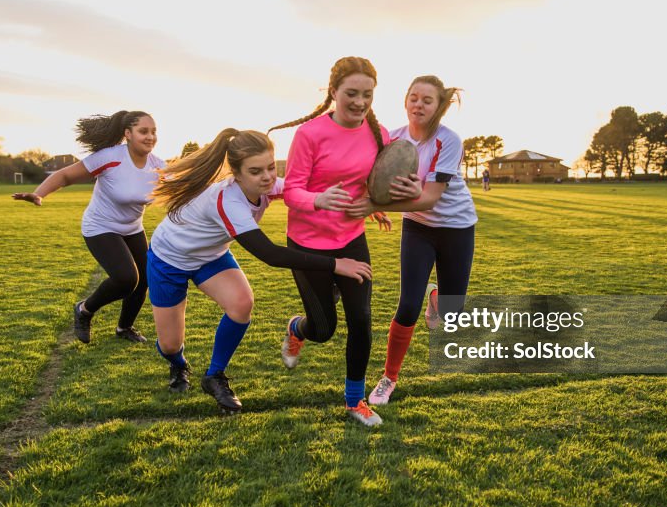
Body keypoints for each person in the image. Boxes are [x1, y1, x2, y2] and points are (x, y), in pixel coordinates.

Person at [147, 129, 372, 414]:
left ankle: (214, 376)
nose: (266, 177)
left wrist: (362, 205)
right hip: (170, 259)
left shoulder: (267, 186)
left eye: (270, 167)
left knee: (242, 304)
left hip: (210, 257)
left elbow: (303, 193)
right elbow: (270, 254)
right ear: (237, 174)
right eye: (255, 171)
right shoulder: (228, 200)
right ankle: (178, 366)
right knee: (169, 345)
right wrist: (335, 265)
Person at [268, 56, 421, 427]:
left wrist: (380, 204)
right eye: (351, 93)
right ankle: (297, 330)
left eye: (367, 94)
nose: (359, 102)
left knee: (362, 320)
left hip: (351, 240)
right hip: (306, 243)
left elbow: (375, 182)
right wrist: (316, 200)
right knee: (324, 329)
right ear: (333, 91)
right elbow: (292, 192)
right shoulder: (310, 134)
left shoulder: (378, 133)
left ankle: (355, 402)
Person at [342, 76, 477, 406]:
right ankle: (389, 378)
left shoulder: (449, 141)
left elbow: (429, 198)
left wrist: (376, 205)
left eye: (427, 100)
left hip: (457, 227)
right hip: (417, 228)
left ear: (439, 107)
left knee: (453, 312)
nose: (419, 105)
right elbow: (374, 178)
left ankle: (438, 300)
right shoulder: (393, 139)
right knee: (407, 305)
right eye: (413, 98)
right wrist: (375, 204)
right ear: (405, 102)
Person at [13, 110, 164, 344]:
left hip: (132, 228)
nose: (150, 137)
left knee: (145, 278)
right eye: (143, 131)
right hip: (100, 227)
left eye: (153, 132)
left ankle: (125, 328)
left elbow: (186, 186)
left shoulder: (158, 166)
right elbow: (65, 176)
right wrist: (39, 194)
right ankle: (84, 310)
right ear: (128, 134)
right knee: (126, 278)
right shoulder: (109, 157)